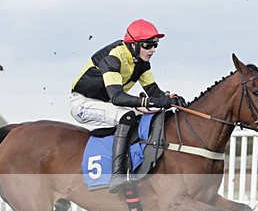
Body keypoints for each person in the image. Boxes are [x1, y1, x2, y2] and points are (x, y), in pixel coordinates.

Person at [71, 19, 179, 193]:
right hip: (83, 103)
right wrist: (151, 102)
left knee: (142, 118)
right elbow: (117, 97)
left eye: (155, 45)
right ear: (133, 45)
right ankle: (117, 175)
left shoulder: (141, 62)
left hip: (105, 103)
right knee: (126, 116)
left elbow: (153, 92)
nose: (152, 50)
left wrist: (172, 100)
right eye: (148, 45)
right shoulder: (113, 58)